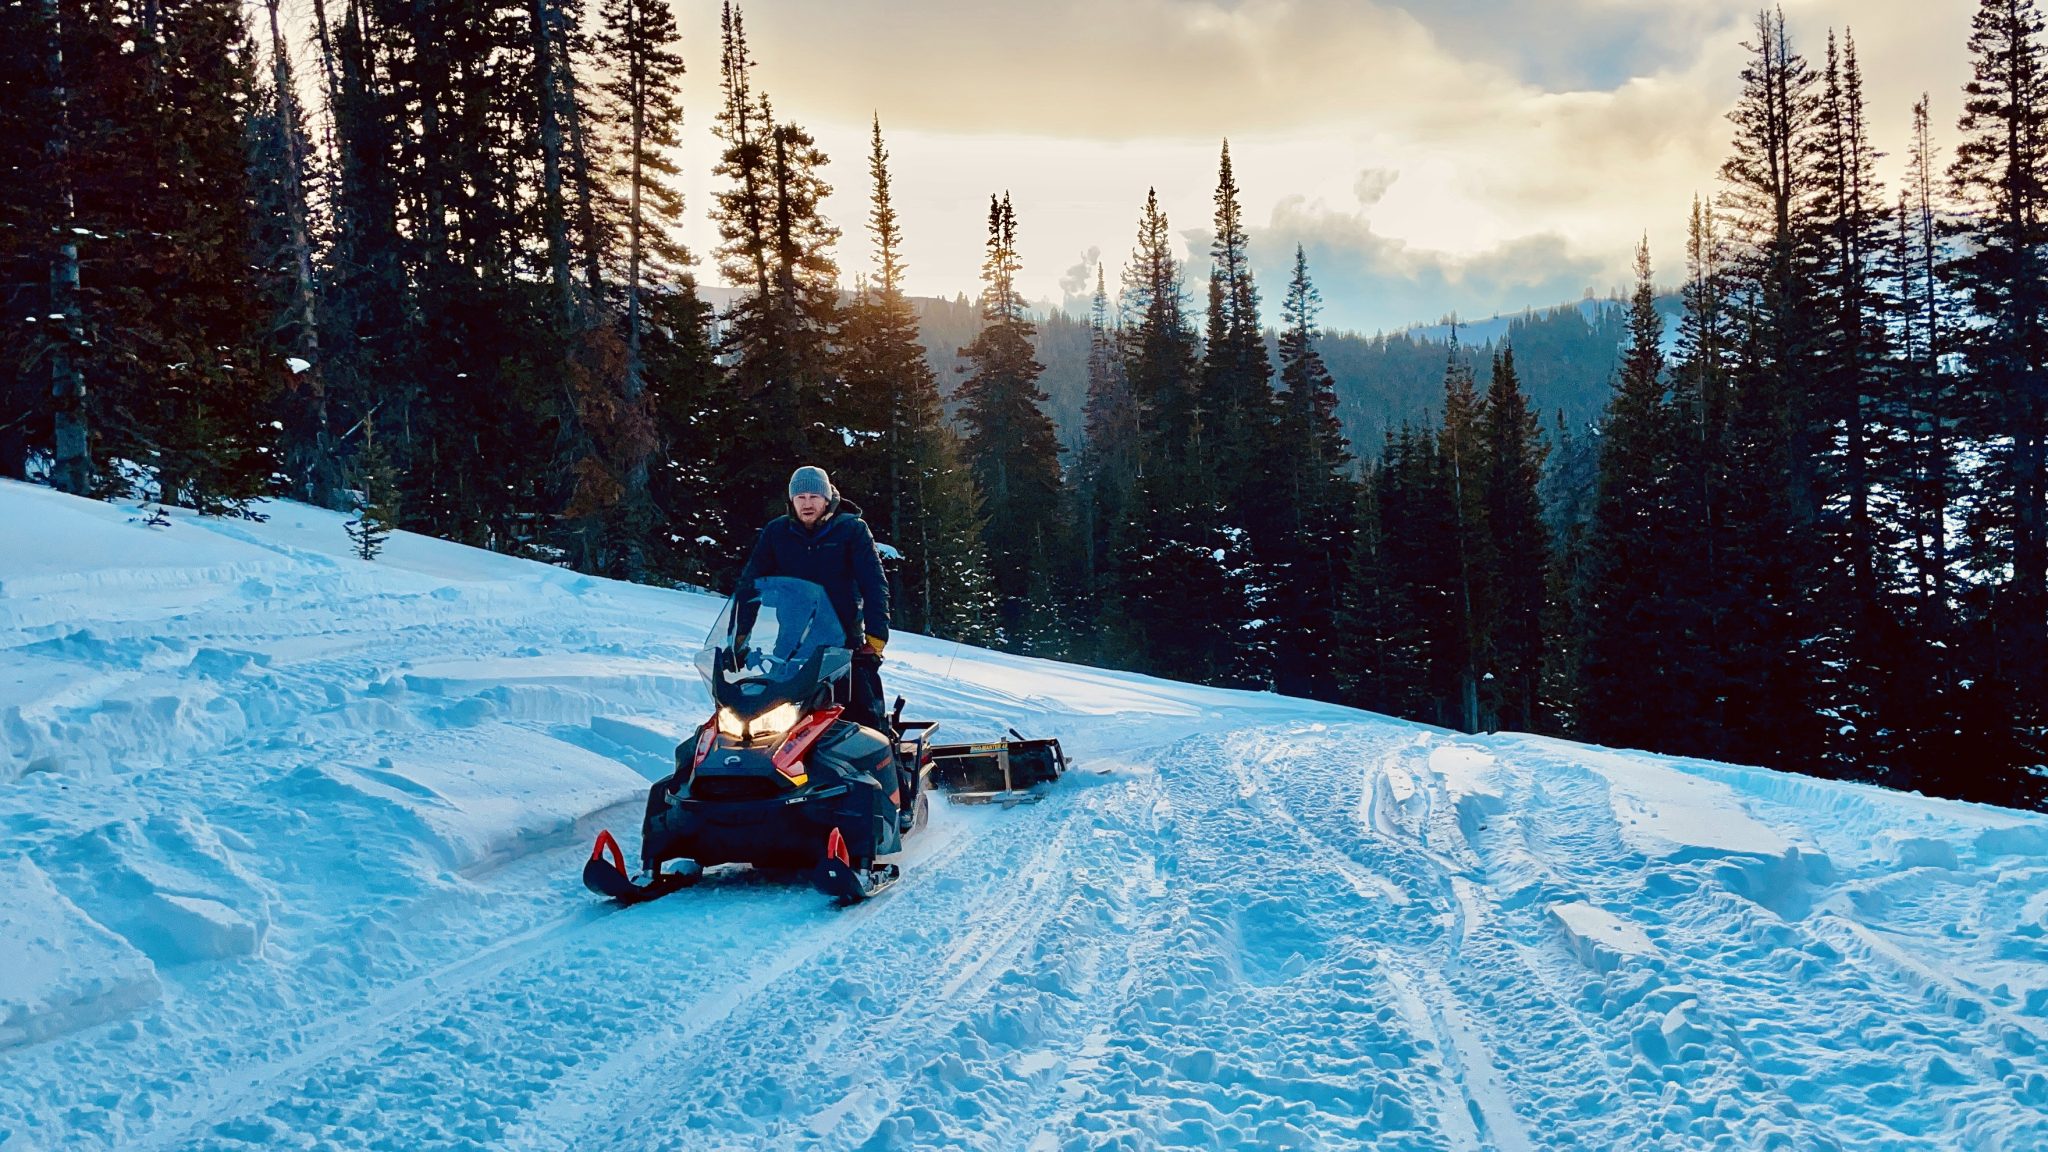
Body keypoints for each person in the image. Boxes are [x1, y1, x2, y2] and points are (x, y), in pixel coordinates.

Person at [738, 466, 892, 733]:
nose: (807, 503)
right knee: (770, 722)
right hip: (790, 644)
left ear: (827, 498)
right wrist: (738, 637)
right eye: (800, 497)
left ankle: (885, 767)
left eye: (814, 496)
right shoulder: (777, 533)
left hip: (843, 644)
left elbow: (874, 585)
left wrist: (876, 640)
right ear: (791, 501)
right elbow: (749, 585)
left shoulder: (852, 531)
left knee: (863, 720)